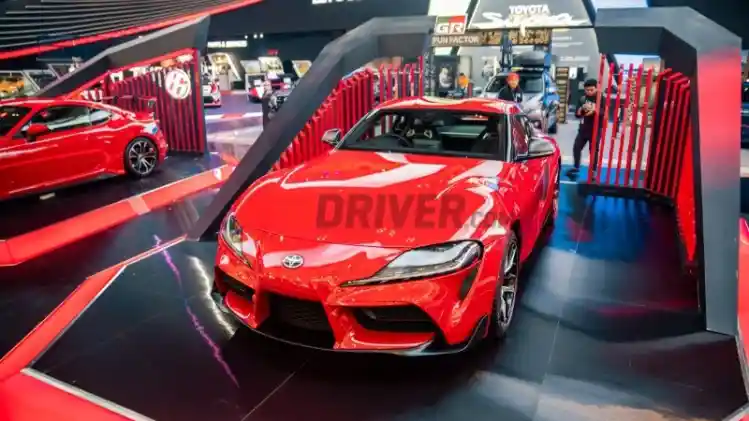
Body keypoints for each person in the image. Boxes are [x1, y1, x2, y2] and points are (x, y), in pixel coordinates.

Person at [566, 78, 607, 178]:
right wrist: (580, 110)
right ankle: (576, 166)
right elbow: (577, 114)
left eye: (591, 90)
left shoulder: (601, 99)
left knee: (593, 151)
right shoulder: (582, 99)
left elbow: (604, 112)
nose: (589, 92)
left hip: (596, 129)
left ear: (596, 88)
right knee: (576, 147)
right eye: (587, 90)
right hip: (583, 128)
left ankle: (593, 170)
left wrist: (594, 109)